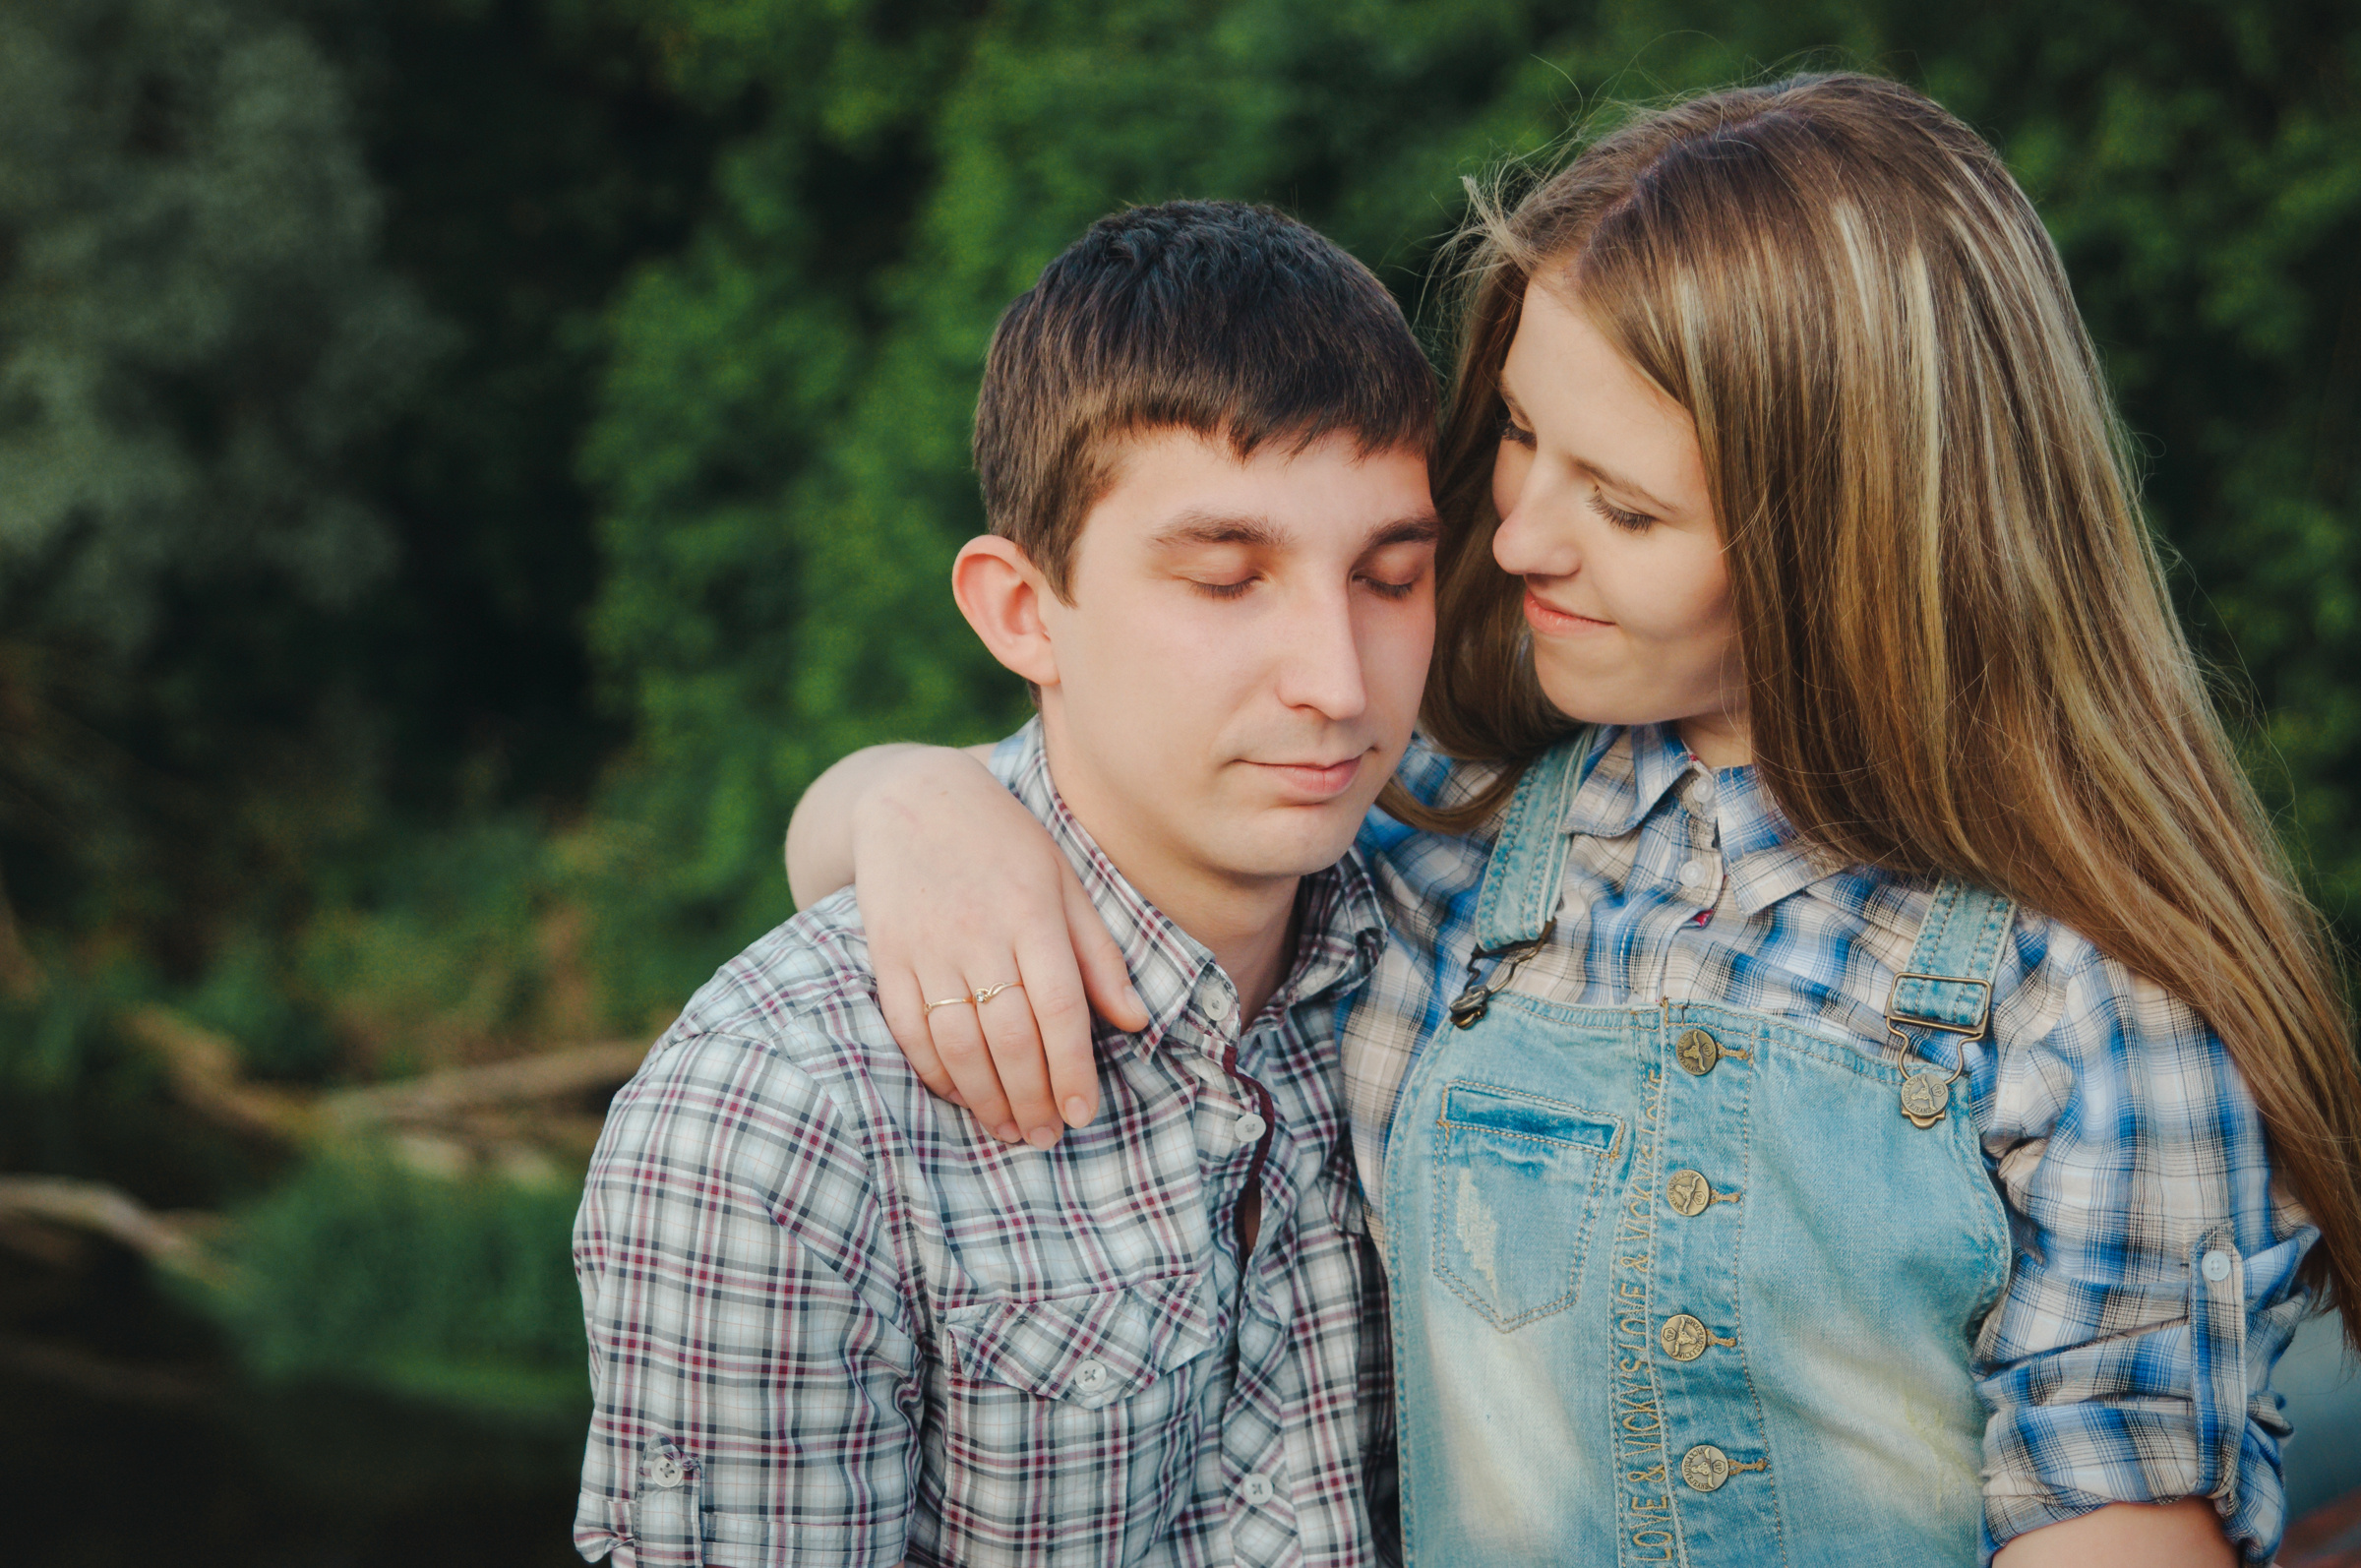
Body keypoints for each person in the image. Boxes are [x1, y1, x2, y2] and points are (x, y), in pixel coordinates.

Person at [785, 74, 2361, 1567]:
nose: (1519, 530)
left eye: (1626, 507)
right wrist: (912, 802)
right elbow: (1099, 824)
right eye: (1523, 434)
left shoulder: (2088, 1000)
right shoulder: (1449, 855)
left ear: (1848, 543)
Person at [573, 199, 1444, 1567]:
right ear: (1022, 610)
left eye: (1392, 576)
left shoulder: (1469, 923)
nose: (1338, 683)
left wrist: (886, 790)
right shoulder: (781, 1117)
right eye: (1227, 580)